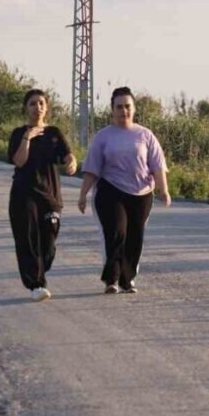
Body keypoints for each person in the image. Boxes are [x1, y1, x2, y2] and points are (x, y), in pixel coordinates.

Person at [78, 86, 171, 294]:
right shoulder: (103, 137)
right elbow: (92, 168)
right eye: (119, 107)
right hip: (111, 191)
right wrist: (83, 194)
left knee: (135, 236)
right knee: (116, 232)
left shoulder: (145, 135)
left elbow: (157, 166)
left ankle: (127, 280)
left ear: (134, 108)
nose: (123, 111)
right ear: (112, 110)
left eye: (127, 106)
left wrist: (164, 190)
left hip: (142, 194)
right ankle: (111, 279)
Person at [8, 89, 77, 302]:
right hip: (23, 194)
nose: (37, 107)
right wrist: (28, 137)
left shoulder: (54, 133)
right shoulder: (19, 133)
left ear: (46, 107)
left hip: (50, 196)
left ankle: (38, 269)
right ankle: (36, 285)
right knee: (28, 239)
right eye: (32, 104)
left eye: (40, 103)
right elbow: (19, 161)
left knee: (48, 243)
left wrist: (71, 162)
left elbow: (67, 155)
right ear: (25, 108)